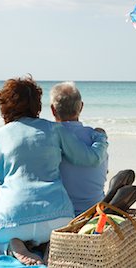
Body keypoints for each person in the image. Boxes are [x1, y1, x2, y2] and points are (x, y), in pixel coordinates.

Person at [0, 76, 108, 266]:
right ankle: (50, 245)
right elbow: (88, 158)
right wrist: (100, 138)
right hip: (58, 218)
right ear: (37, 105)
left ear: (3, 106)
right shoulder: (54, 129)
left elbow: (1, 180)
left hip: (11, 220)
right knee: (57, 231)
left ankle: (12, 248)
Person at [50, 82, 108, 216]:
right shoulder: (97, 138)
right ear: (81, 107)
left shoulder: (48, 139)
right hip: (95, 211)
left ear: (53, 109)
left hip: (61, 215)